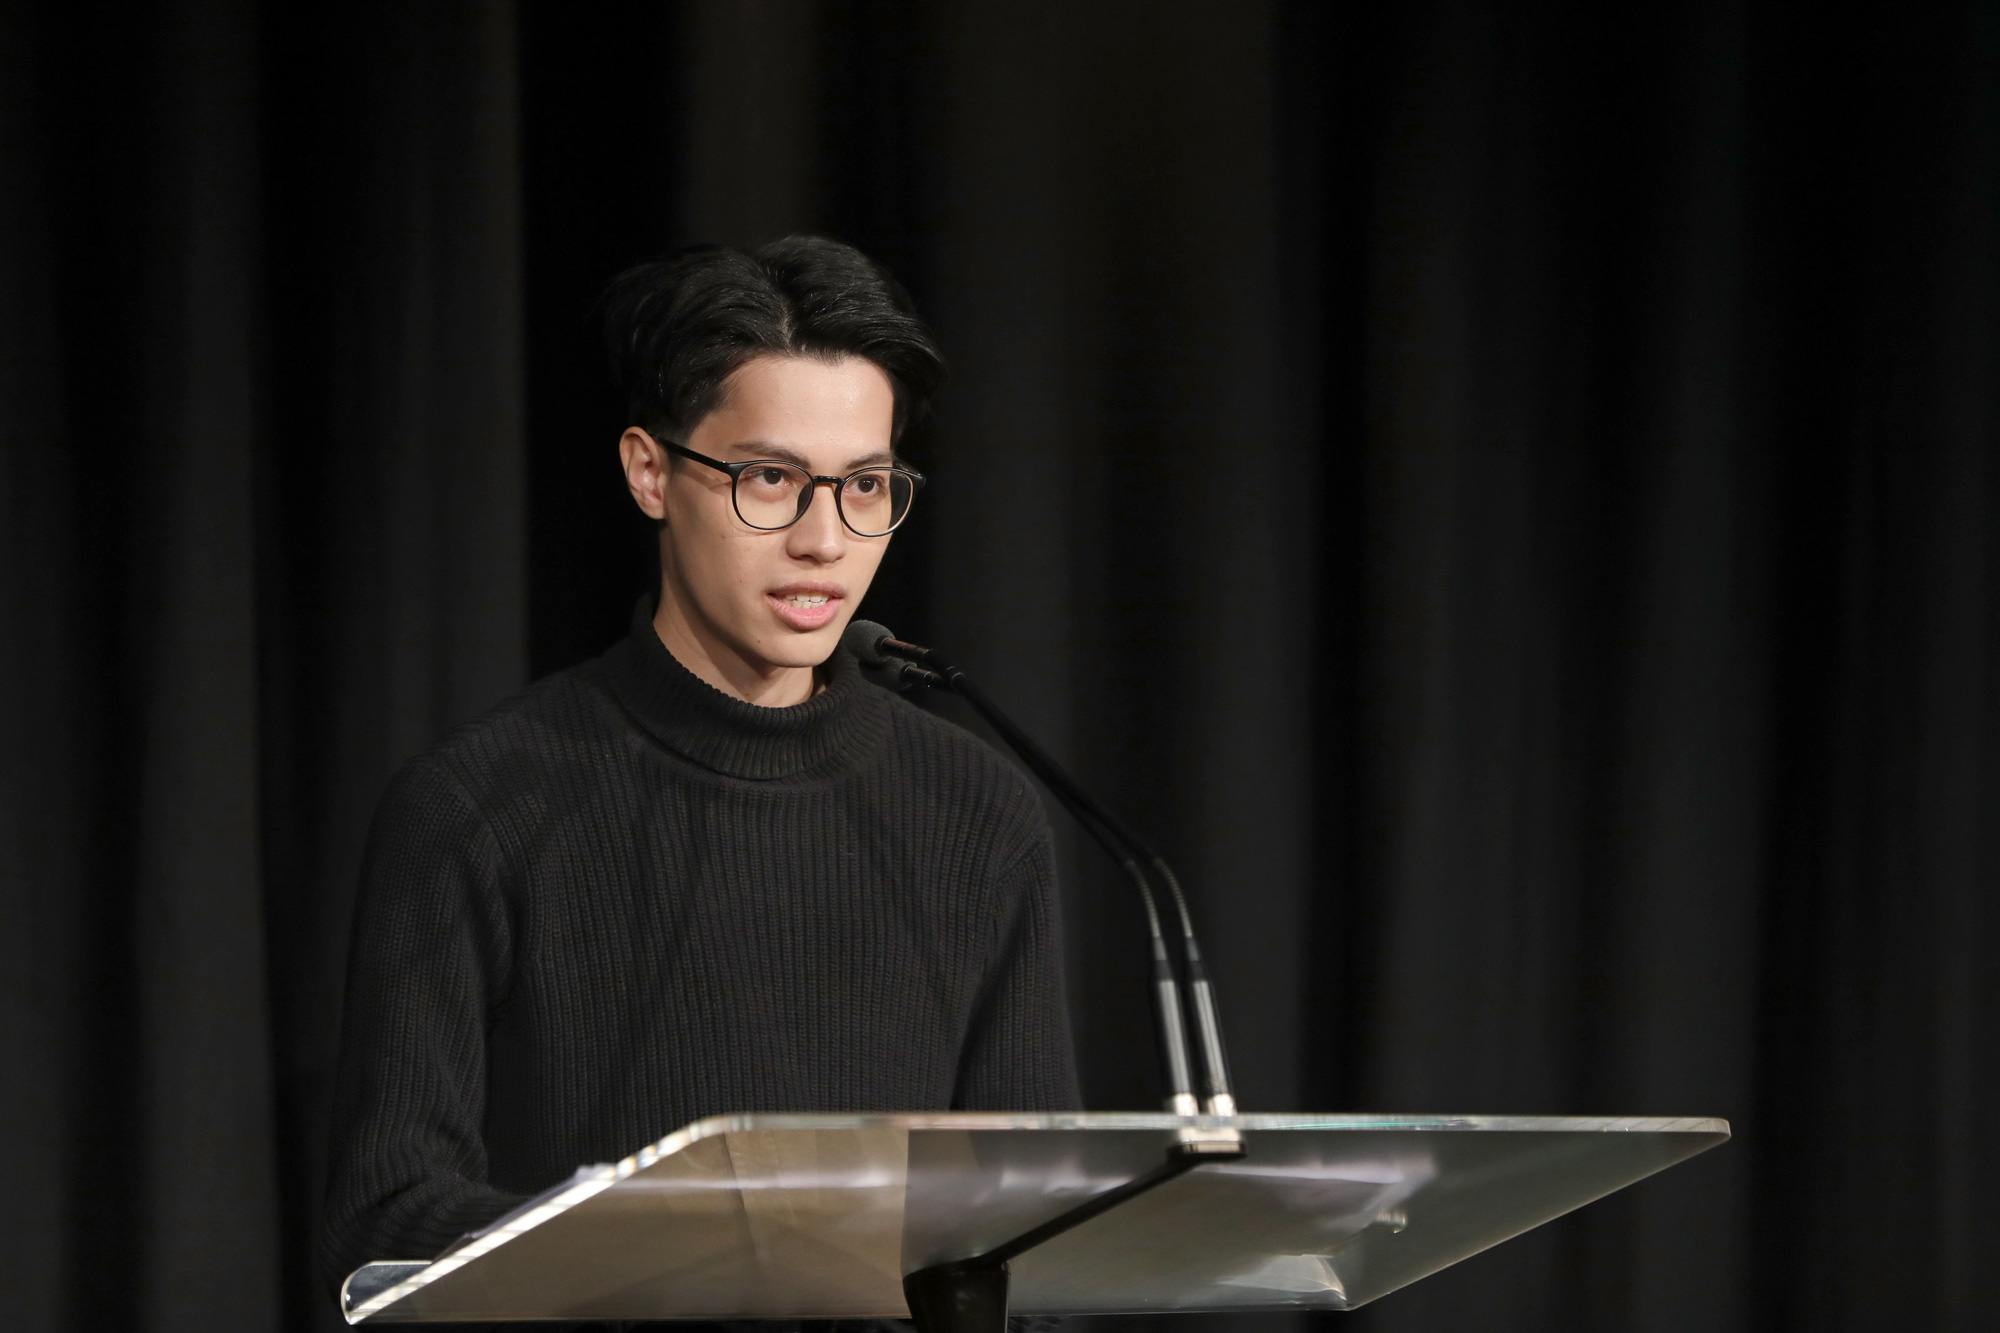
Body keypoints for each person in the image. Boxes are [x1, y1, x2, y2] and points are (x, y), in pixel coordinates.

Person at [320, 236, 1081, 1294]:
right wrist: (722, 1250)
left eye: (864, 485)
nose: (824, 539)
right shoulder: (477, 805)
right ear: (650, 472)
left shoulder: (977, 811)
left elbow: (1028, 1242)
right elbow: (387, 1220)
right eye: (771, 478)